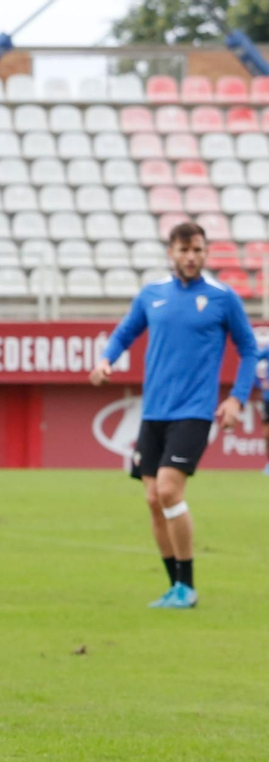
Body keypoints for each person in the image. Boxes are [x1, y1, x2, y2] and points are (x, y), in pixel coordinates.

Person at [92, 221, 258, 609]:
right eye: (184, 250)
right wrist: (106, 360)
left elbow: (248, 349)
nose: (191, 257)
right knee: (153, 499)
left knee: (168, 489)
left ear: (205, 252)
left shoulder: (222, 297)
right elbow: (124, 333)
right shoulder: (152, 295)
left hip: (195, 412)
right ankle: (176, 586)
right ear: (171, 253)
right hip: (154, 412)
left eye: (197, 250)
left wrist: (235, 398)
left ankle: (188, 585)